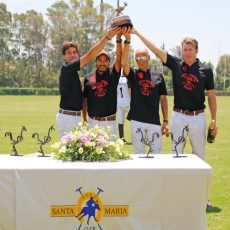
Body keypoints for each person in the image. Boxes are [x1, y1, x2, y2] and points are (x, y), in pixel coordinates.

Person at [132, 28, 217, 160]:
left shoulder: (206, 70)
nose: (187, 52)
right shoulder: (176, 64)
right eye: (185, 49)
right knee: (175, 155)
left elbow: (211, 95)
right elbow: (155, 49)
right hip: (178, 116)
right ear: (181, 50)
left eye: (190, 49)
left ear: (197, 50)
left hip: (198, 117)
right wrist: (137, 33)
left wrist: (213, 120)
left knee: (199, 156)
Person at [56, 27, 121, 139]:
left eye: (75, 52)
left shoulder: (73, 72)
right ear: (63, 56)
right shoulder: (67, 68)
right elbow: (90, 55)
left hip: (74, 117)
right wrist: (107, 37)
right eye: (68, 53)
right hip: (68, 118)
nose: (72, 55)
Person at [121, 29, 168, 155]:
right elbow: (123, 63)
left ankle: (156, 176)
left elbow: (163, 100)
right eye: (137, 58)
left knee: (157, 153)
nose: (140, 60)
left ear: (149, 57)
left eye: (143, 57)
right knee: (138, 153)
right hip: (137, 121)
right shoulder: (134, 74)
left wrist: (165, 120)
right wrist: (127, 41)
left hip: (154, 121)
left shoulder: (158, 76)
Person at [82, 29, 124, 137]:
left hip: (109, 122)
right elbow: (85, 99)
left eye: (105, 60)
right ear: (95, 62)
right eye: (99, 60)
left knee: (111, 153)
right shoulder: (88, 78)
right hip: (93, 122)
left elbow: (119, 59)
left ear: (109, 62)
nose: (102, 63)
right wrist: (84, 118)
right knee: (92, 153)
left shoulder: (113, 75)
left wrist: (118, 40)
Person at [117, 71, 131, 142]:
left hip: (119, 102)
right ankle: (136, 138)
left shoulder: (118, 79)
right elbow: (130, 91)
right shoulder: (129, 79)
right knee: (134, 120)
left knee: (120, 121)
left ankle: (121, 138)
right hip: (128, 102)